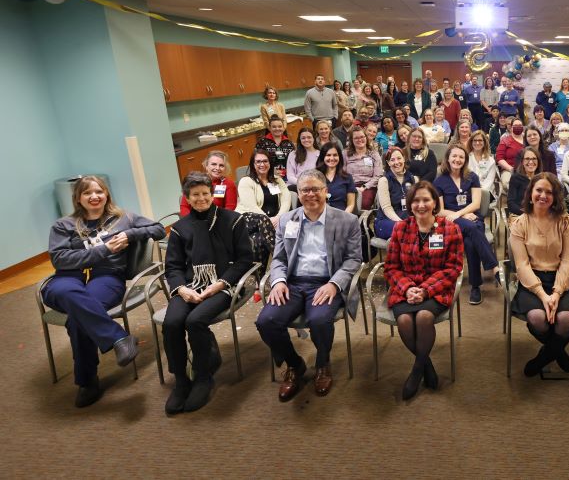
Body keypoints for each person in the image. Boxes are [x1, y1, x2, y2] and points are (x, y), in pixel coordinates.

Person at [42, 176, 165, 407]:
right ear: (78, 198)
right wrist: (104, 250)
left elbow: (158, 230)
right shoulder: (63, 225)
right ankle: (118, 338)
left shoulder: (124, 218)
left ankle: (87, 382)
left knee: (78, 319)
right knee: (69, 296)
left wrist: (130, 234)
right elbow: (60, 259)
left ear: (106, 194)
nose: (94, 196)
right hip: (68, 278)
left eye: (99, 191)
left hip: (106, 277)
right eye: (87, 193)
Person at [256, 169, 363, 402]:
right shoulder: (287, 220)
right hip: (293, 283)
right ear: (298, 192)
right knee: (266, 321)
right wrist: (278, 281)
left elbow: (354, 259)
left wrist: (334, 284)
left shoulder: (348, 221)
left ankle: (322, 364)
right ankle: (295, 364)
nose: (310, 194)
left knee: (319, 320)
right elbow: (279, 258)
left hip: (326, 281)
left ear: (326, 191)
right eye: (305, 190)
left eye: (316, 189)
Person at [162, 172, 253, 414]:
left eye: (205, 193)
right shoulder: (180, 228)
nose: (201, 198)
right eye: (195, 195)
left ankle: (203, 377)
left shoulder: (232, 220)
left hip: (224, 284)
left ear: (212, 195)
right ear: (187, 198)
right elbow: (173, 266)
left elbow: (245, 259)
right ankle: (181, 380)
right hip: (189, 285)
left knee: (195, 320)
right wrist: (182, 289)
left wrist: (220, 284)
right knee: (172, 323)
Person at [383, 180, 464, 400]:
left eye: (426, 200)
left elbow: (453, 267)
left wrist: (426, 290)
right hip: (404, 287)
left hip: (437, 288)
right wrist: (408, 288)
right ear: (410, 204)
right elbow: (391, 267)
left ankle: (417, 370)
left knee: (424, 317)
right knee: (404, 320)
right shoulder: (401, 228)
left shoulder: (450, 228)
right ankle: (426, 365)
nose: (421, 205)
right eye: (416, 200)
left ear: (435, 203)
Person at [509, 172, 569, 376]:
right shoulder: (519, 223)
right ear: (530, 193)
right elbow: (522, 264)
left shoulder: (565, 222)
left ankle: (545, 356)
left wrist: (557, 293)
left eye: (549, 192)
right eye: (539, 190)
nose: (543, 195)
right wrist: (543, 296)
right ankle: (558, 350)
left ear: (555, 196)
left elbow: (567, 260)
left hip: (561, 276)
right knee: (537, 318)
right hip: (532, 279)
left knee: (565, 319)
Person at [432, 145, 499, 305]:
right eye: (454, 156)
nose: (457, 159)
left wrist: (461, 213)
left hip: (472, 218)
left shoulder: (472, 177)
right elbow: (440, 210)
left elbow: (476, 203)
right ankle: (494, 267)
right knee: (473, 228)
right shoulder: (439, 180)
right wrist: (460, 215)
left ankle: (475, 286)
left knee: (470, 242)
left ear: (465, 160)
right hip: (450, 221)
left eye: (461, 157)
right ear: (448, 158)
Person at [236, 149, 291, 230]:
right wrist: (268, 220)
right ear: (253, 164)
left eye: (265, 161)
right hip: (254, 221)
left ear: (270, 163)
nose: (262, 164)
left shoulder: (278, 180)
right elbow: (251, 207)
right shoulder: (246, 181)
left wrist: (279, 217)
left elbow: (286, 200)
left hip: (276, 220)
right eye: (258, 162)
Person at [374, 147, 416, 239]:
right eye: (392, 160)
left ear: (404, 159)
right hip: (387, 220)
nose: (396, 162)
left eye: (399, 158)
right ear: (388, 163)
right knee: (405, 231)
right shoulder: (384, 181)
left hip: (408, 219)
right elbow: (387, 208)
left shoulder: (413, 179)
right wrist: (402, 223)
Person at [179, 150, 237, 216]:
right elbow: (184, 207)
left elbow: (230, 208)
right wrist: (192, 220)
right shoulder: (195, 181)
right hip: (194, 218)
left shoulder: (229, 184)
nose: (217, 168)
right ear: (206, 166)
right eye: (214, 164)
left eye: (221, 165)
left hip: (218, 218)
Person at [344, 125, 384, 211]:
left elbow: (378, 175)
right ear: (352, 140)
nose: (360, 140)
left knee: (364, 203)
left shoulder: (374, 154)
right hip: (349, 186)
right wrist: (350, 186)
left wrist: (364, 187)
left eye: (362, 137)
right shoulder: (345, 154)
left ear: (366, 137)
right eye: (356, 138)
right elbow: (342, 173)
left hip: (368, 186)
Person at [315, 142, 356, 213]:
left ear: (339, 157)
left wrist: (344, 217)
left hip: (341, 216)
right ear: (323, 157)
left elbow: (351, 204)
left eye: (335, 155)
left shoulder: (347, 177)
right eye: (328, 155)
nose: (332, 158)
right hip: (318, 215)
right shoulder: (314, 177)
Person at [255, 116, 296, 180]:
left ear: (283, 127)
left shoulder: (289, 143)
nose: (277, 129)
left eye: (280, 126)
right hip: (267, 177)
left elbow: (293, 162)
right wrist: (272, 173)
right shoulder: (262, 143)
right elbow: (257, 162)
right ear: (269, 128)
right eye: (274, 127)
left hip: (287, 176)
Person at [508, 146, 540, 218]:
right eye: (527, 159)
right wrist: (527, 213)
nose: (531, 162)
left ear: (538, 161)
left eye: (534, 159)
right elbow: (511, 203)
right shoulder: (515, 178)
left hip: (540, 216)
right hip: (521, 216)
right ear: (522, 162)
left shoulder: (542, 179)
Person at [496, 118, 525, 188]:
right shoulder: (505, 140)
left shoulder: (527, 139)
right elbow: (499, 158)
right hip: (509, 170)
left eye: (520, 125)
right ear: (511, 128)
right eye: (515, 125)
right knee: (508, 183)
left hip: (527, 169)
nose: (518, 127)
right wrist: (511, 169)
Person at [468, 130, 497, 197]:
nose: (477, 143)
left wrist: (479, 192)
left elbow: (489, 181)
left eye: (480, 140)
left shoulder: (491, 161)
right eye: (475, 140)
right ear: (471, 142)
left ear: (484, 142)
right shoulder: (466, 158)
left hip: (485, 192)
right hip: (469, 190)